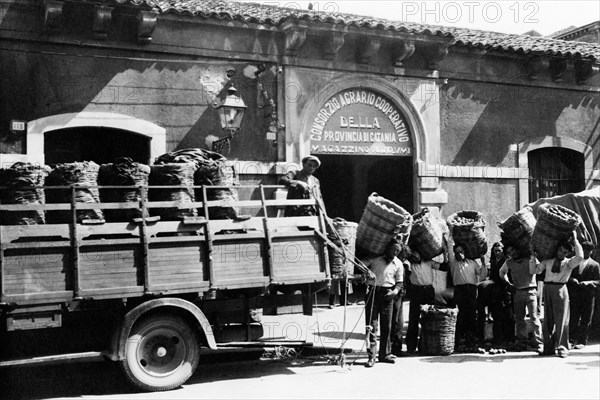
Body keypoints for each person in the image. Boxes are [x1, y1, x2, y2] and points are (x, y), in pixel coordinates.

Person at [530, 231, 583, 358]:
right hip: (547, 289)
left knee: (562, 320)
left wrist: (575, 241)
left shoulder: (569, 263)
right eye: (560, 250)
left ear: (568, 253)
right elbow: (534, 271)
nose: (561, 253)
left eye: (564, 252)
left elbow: (580, 257)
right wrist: (533, 257)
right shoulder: (547, 261)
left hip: (561, 289)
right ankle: (548, 348)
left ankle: (562, 347)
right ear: (557, 249)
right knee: (547, 320)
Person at [361, 239, 405, 367]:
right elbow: (360, 265)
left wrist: (395, 292)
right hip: (373, 292)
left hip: (388, 294)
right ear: (387, 248)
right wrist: (366, 271)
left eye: (398, 250)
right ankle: (371, 356)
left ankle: (384, 354)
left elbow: (399, 282)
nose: (395, 252)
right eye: (394, 249)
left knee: (387, 325)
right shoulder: (376, 259)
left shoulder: (398, 263)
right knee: (372, 325)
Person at [500, 245, 543, 352]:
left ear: (517, 249)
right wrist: (508, 283)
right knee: (519, 318)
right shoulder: (509, 262)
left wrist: (534, 258)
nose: (512, 253)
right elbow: (502, 272)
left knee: (534, 317)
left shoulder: (529, 259)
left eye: (513, 249)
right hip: (518, 291)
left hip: (531, 290)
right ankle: (522, 342)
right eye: (509, 252)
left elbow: (539, 270)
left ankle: (538, 342)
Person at [405, 247, 448, 354]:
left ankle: (426, 345)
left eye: (417, 253)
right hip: (415, 292)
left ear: (421, 254)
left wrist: (445, 253)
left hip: (428, 291)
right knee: (413, 319)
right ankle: (411, 347)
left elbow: (444, 267)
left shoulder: (429, 263)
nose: (415, 256)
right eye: (413, 254)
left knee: (429, 319)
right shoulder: (409, 265)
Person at [448, 244, 485, 351]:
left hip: (471, 290)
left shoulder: (473, 263)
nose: (459, 254)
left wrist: (483, 263)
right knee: (460, 316)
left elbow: (481, 275)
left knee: (472, 316)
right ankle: (457, 343)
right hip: (459, 290)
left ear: (465, 251)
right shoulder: (453, 263)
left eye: (461, 251)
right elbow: (450, 248)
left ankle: (471, 342)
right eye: (457, 252)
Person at [477, 242, 514, 348]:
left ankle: (508, 339)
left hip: (505, 291)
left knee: (508, 316)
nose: (497, 253)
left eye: (499, 250)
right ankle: (497, 340)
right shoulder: (493, 262)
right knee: (497, 317)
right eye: (495, 251)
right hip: (494, 293)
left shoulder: (507, 261)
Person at [567, 241, 600, 349]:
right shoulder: (574, 262)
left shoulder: (595, 265)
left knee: (586, 318)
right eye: (584, 249)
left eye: (588, 250)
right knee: (573, 317)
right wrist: (572, 279)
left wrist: (590, 282)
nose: (586, 252)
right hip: (575, 294)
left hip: (588, 295)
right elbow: (566, 275)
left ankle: (582, 341)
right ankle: (571, 340)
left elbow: (598, 281)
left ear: (592, 251)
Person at [390, 242, 410, 356]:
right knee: (396, 321)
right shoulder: (397, 264)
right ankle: (394, 348)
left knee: (398, 321)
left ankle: (396, 348)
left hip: (399, 294)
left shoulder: (402, 264)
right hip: (395, 294)